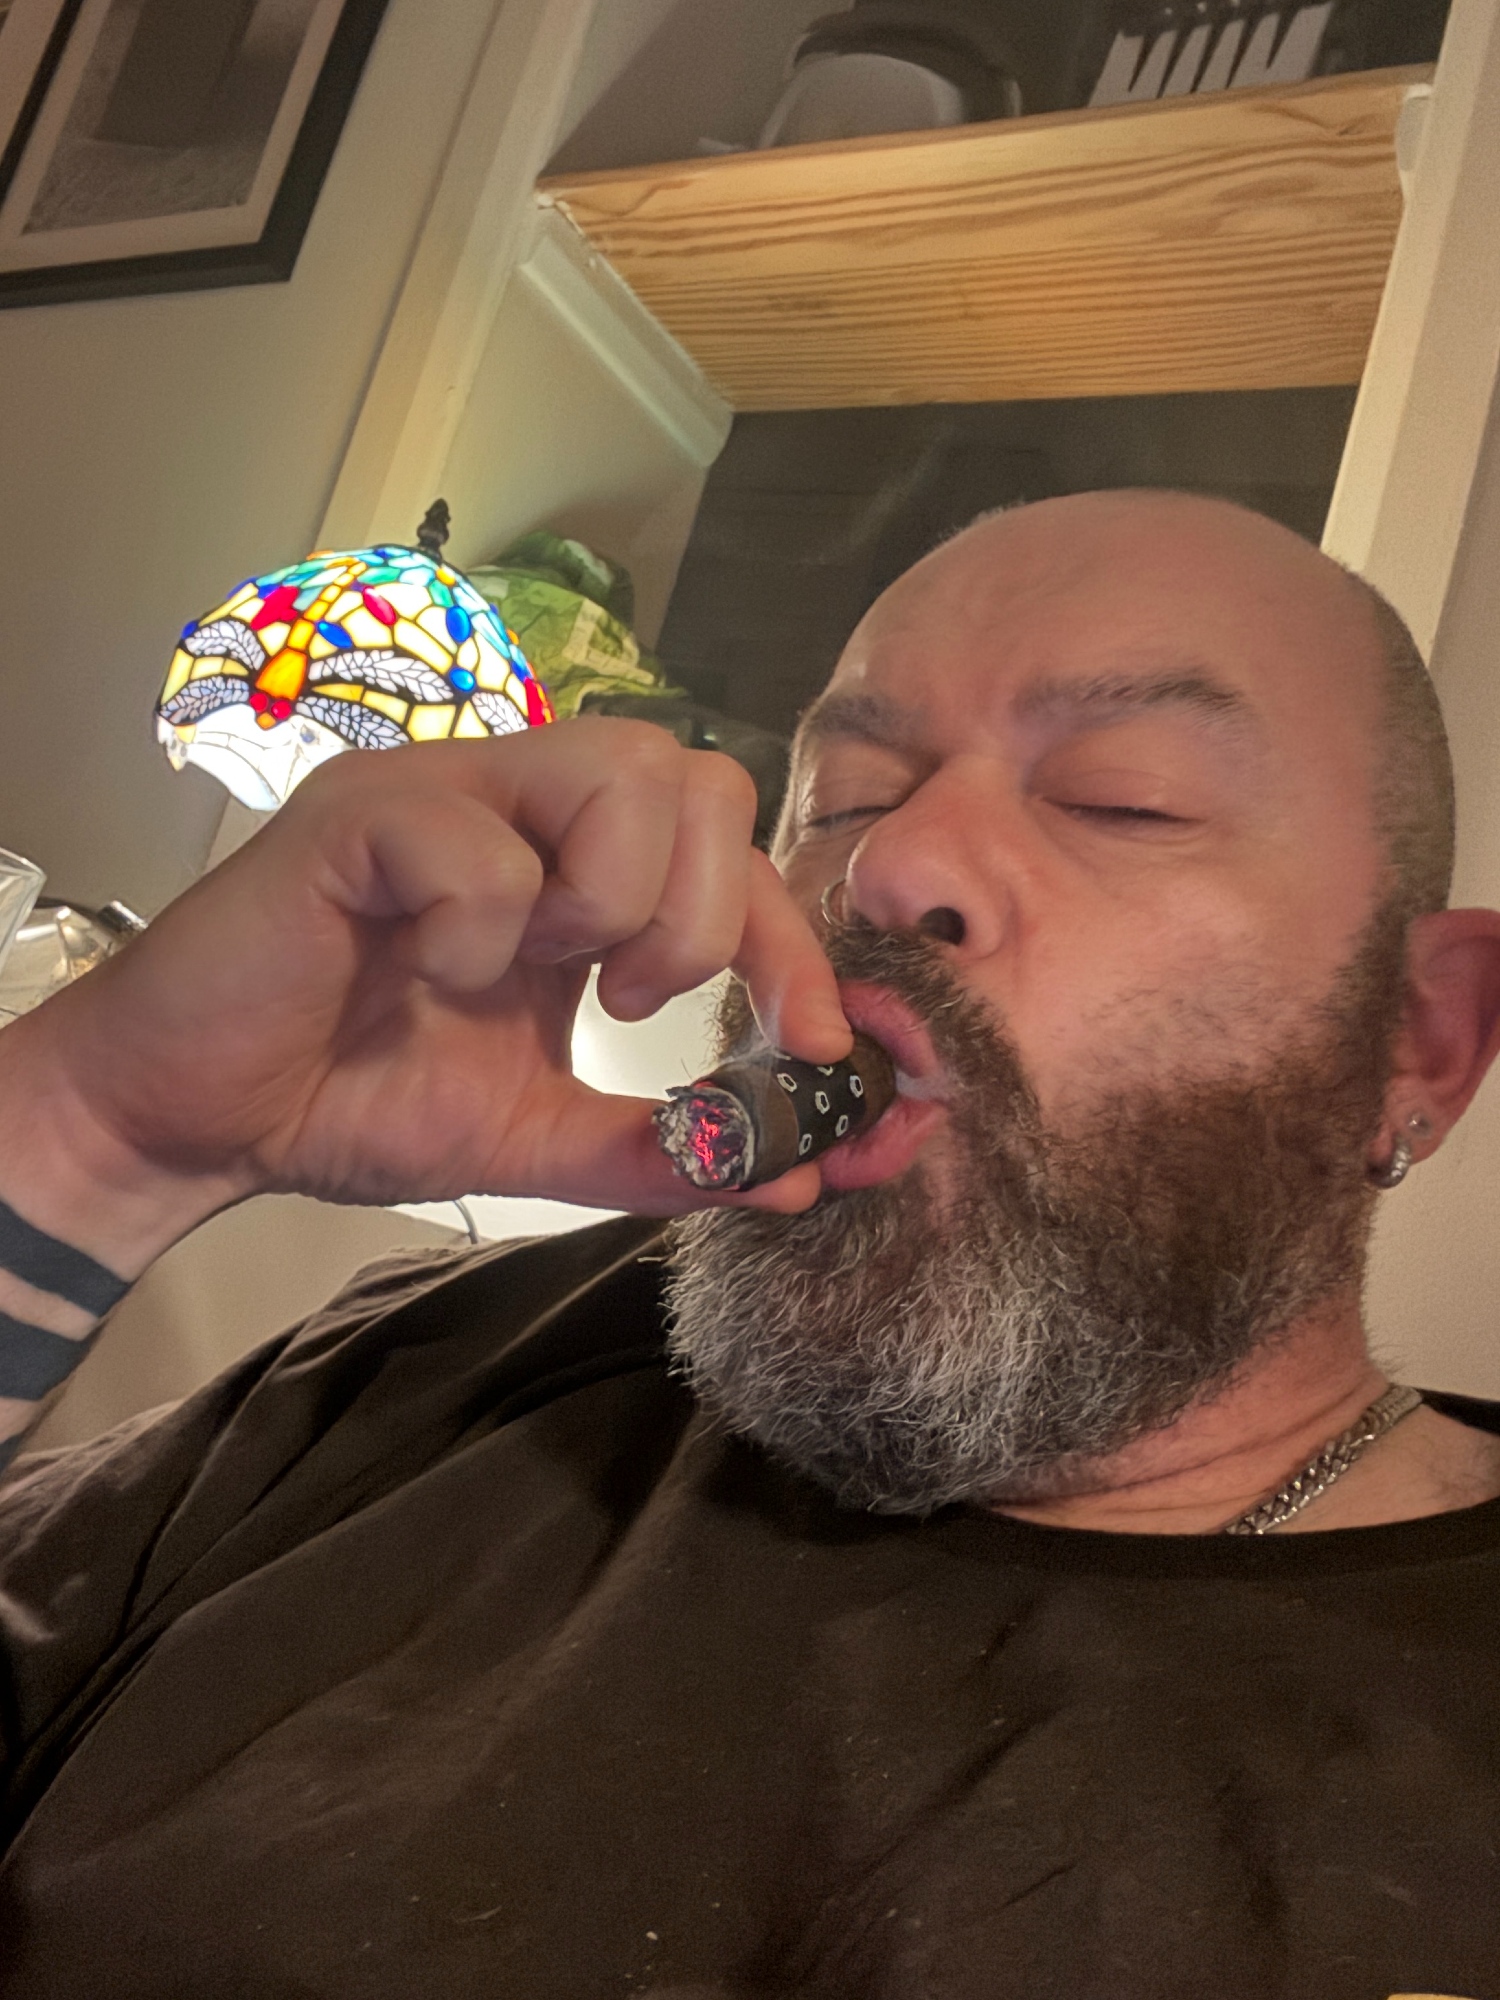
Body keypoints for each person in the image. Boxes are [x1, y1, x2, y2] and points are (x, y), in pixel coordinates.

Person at [1, 490, 1499, 1997]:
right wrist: (96, 1133)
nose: (885, 867)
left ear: (1421, 1040)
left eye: (1124, 799)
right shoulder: (452, 1356)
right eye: (842, 797)